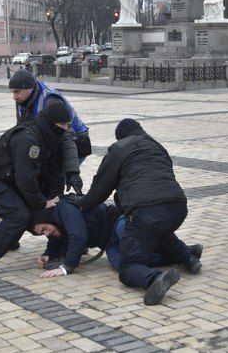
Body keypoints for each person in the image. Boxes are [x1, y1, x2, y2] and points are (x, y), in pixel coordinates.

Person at [71, 119, 199, 306]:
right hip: (179, 207)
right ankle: (188, 258)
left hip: (146, 210)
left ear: (121, 136)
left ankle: (154, 279)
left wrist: (82, 205)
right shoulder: (157, 146)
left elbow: (101, 187)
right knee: (158, 227)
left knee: (128, 266)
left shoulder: (119, 148)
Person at [0, 100, 71, 278]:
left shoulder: (51, 137)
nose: (66, 129)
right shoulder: (28, 139)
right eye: (62, 125)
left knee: (38, 209)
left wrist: (55, 198)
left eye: (68, 125)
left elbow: (56, 173)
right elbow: (25, 179)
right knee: (19, 215)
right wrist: (41, 203)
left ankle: (14, 239)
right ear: (51, 123)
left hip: (10, 177)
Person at [32, 199, 203, 279]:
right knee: (121, 264)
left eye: (44, 229)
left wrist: (66, 268)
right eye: (42, 233)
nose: (46, 233)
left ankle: (183, 253)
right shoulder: (56, 225)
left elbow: (78, 236)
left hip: (118, 222)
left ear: (50, 218)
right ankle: (184, 253)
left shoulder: (65, 209)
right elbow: (55, 239)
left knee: (142, 239)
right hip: (109, 242)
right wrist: (48, 254)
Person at [9, 69, 89, 194]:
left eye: (17, 92)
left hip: (75, 141)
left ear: (29, 88)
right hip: (53, 140)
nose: (14, 96)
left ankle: (56, 207)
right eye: (12, 92)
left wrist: (72, 173)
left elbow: (67, 138)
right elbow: (21, 126)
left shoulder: (51, 101)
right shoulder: (22, 99)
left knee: (55, 181)